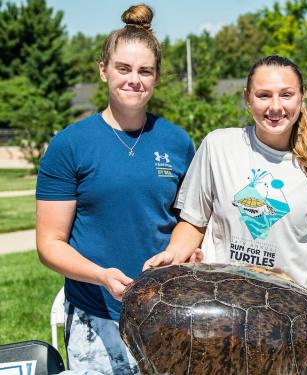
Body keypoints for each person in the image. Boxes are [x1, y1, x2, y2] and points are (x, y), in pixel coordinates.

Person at [35, 5, 194, 374]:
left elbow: (191, 221)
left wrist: (184, 252)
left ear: (156, 78)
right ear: (103, 69)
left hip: (166, 313)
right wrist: (102, 276)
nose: (133, 79)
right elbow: (49, 244)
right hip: (95, 314)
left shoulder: (177, 142)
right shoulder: (70, 144)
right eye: (123, 68)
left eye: (145, 71)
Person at [144, 55, 307, 313]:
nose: (276, 106)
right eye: (263, 95)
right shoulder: (218, 146)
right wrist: (173, 254)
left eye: (286, 95)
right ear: (247, 98)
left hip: (293, 316)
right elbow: (194, 222)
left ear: (302, 97)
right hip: (222, 309)